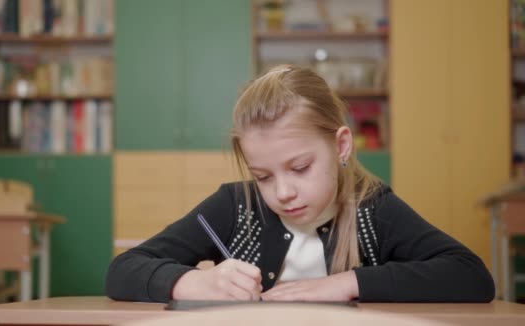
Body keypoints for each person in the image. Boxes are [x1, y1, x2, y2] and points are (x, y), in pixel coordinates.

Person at [105, 65, 495, 303]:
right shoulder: (235, 206)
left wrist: (348, 283)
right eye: (263, 176)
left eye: (301, 167)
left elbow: (471, 277)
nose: (283, 192)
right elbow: (123, 270)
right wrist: (190, 282)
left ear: (341, 145)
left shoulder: (373, 210)